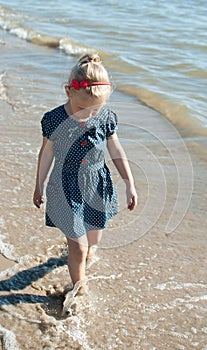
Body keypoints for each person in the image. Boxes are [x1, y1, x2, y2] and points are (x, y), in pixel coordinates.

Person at [33, 53, 137, 295]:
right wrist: (38, 185)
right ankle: (80, 287)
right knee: (77, 249)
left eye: (95, 109)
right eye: (82, 108)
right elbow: (46, 153)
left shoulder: (106, 117)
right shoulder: (54, 119)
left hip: (96, 184)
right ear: (69, 92)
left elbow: (115, 149)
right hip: (65, 187)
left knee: (95, 238)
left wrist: (129, 183)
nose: (88, 115)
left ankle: (89, 250)